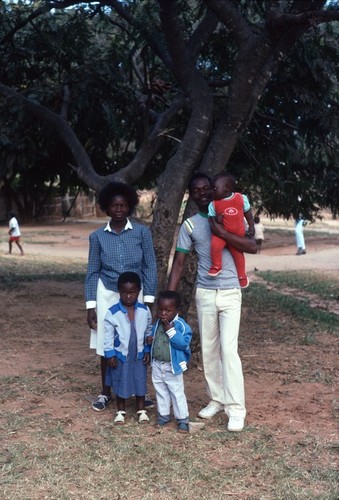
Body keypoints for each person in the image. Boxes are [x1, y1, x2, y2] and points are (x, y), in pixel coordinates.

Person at [167, 172, 257, 432]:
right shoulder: (191, 225)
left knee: (228, 351)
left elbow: (251, 246)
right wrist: (170, 298)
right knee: (208, 349)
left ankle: (236, 408)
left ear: (214, 189)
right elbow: (180, 263)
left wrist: (221, 231)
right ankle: (216, 399)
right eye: (197, 190)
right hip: (205, 292)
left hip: (230, 292)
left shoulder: (232, 211)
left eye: (207, 188)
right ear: (191, 196)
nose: (203, 193)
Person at [85, 182, 157, 412]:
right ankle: (106, 393)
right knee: (105, 346)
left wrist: (149, 302)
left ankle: (139, 392)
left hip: (136, 296)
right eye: (114, 205)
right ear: (106, 207)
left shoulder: (141, 233)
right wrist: (90, 306)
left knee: (135, 343)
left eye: (123, 205)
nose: (118, 209)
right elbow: (92, 270)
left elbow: (150, 267)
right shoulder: (97, 237)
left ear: (129, 207)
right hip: (107, 293)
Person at [104, 272, 152, 424]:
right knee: (121, 381)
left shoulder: (145, 311)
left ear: (139, 291)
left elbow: (148, 331)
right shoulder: (113, 312)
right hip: (121, 355)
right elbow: (108, 336)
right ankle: (120, 411)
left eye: (132, 292)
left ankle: (141, 410)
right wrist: (110, 354)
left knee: (140, 380)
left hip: (138, 355)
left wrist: (147, 349)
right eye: (124, 292)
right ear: (119, 291)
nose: (128, 296)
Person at [145, 291, 192, 433]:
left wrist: (171, 331)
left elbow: (183, 344)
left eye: (168, 310)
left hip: (173, 366)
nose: (163, 313)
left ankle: (182, 419)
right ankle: (163, 415)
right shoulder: (157, 323)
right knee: (161, 391)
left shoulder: (180, 326)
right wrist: (149, 343)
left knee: (177, 392)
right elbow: (152, 337)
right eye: (161, 309)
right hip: (158, 364)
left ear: (176, 310)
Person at [207, 172, 254, 288]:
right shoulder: (213, 204)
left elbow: (248, 213)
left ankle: (242, 276)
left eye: (215, 188)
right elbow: (211, 221)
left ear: (227, 188)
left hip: (237, 234)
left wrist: (251, 226)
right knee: (215, 246)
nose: (212, 191)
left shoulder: (240, 198)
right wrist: (217, 219)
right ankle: (216, 265)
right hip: (220, 234)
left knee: (238, 255)